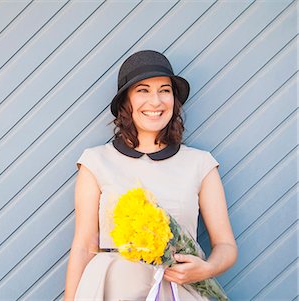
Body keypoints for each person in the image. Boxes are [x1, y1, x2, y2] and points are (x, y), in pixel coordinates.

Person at [64, 50, 237, 300]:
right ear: (127, 102)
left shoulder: (200, 164)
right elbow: (83, 247)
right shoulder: (96, 161)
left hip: (178, 290)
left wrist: (207, 269)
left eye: (164, 90)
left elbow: (226, 246)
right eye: (143, 90)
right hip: (110, 290)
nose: (155, 102)